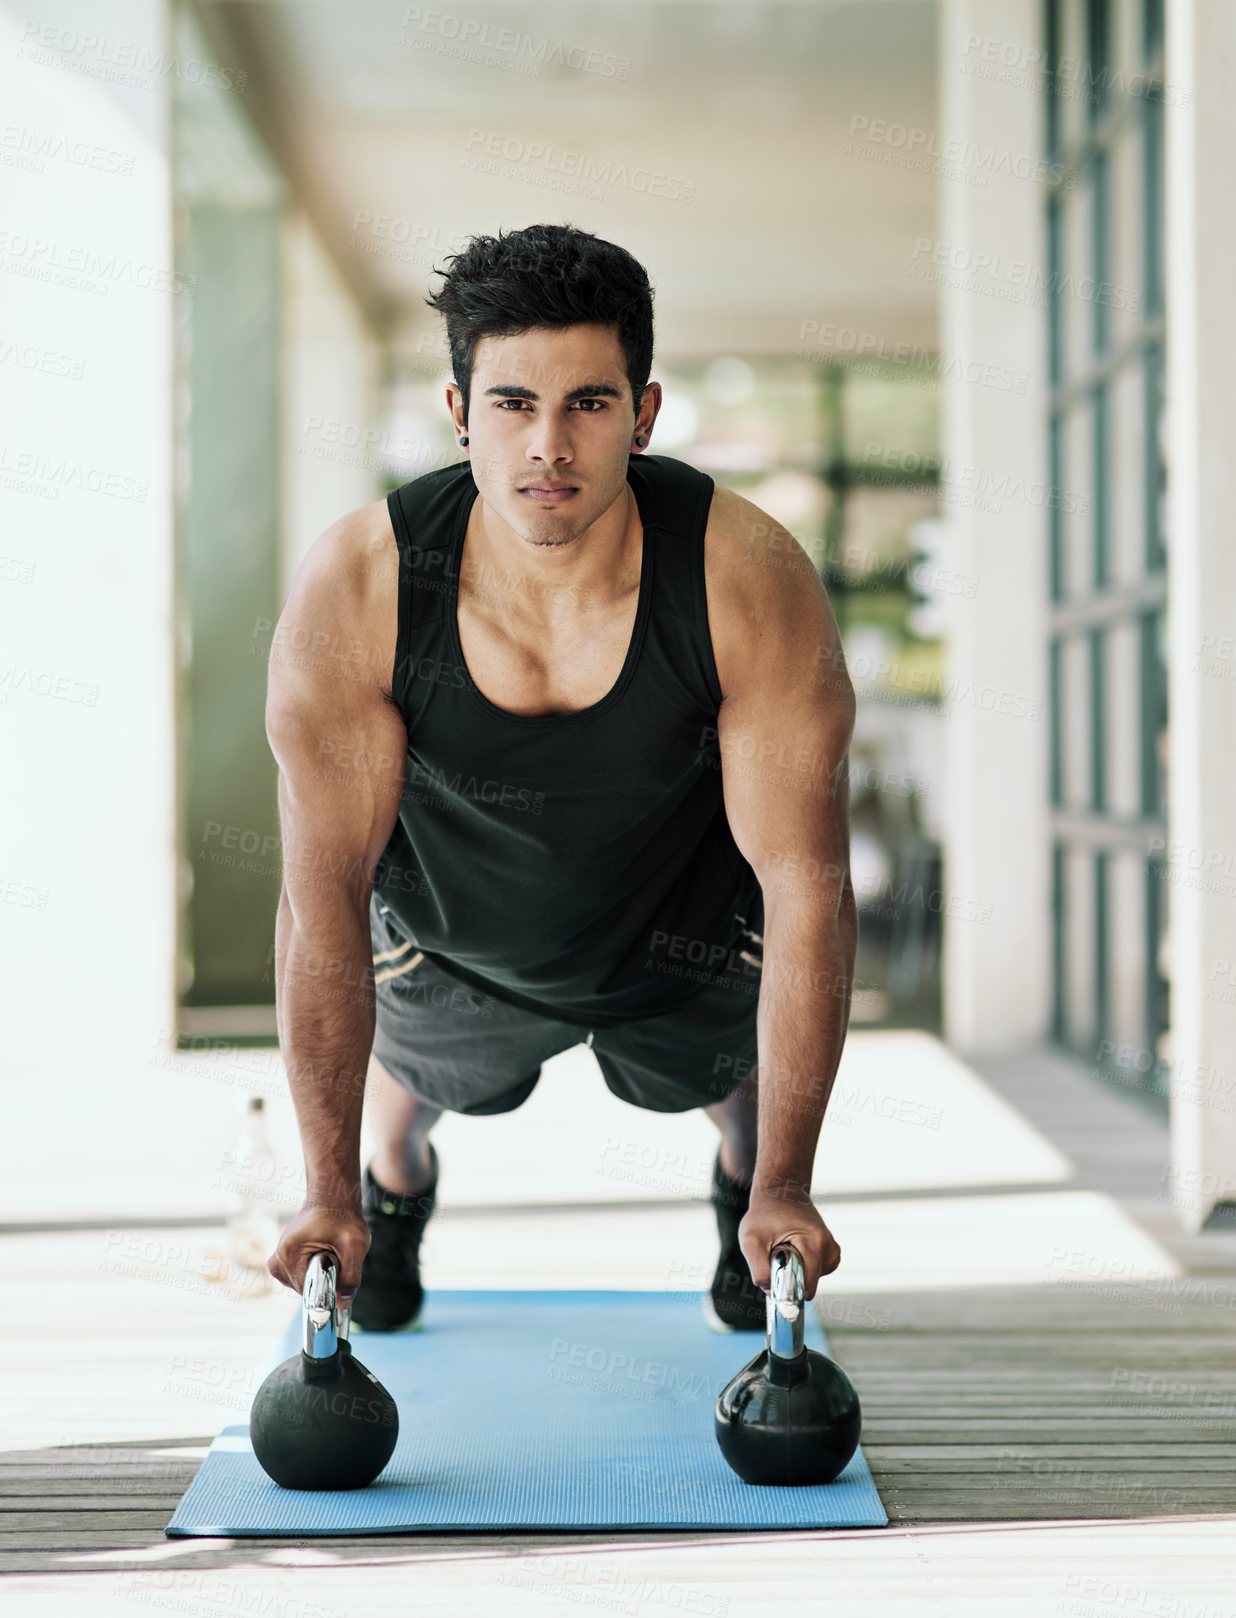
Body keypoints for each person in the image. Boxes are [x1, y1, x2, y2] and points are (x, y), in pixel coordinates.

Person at [264, 222, 857, 1335]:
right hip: (448, 944)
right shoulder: (361, 588)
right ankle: (395, 1185)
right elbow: (321, 895)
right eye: (511, 404)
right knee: (407, 1096)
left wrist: (786, 1180)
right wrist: (328, 1192)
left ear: (643, 413)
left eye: (588, 403)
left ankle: (738, 1177)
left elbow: (807, 886)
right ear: (457, 412)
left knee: (736, 1089)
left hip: (682, 934)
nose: (549, 444)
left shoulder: (746, 576)